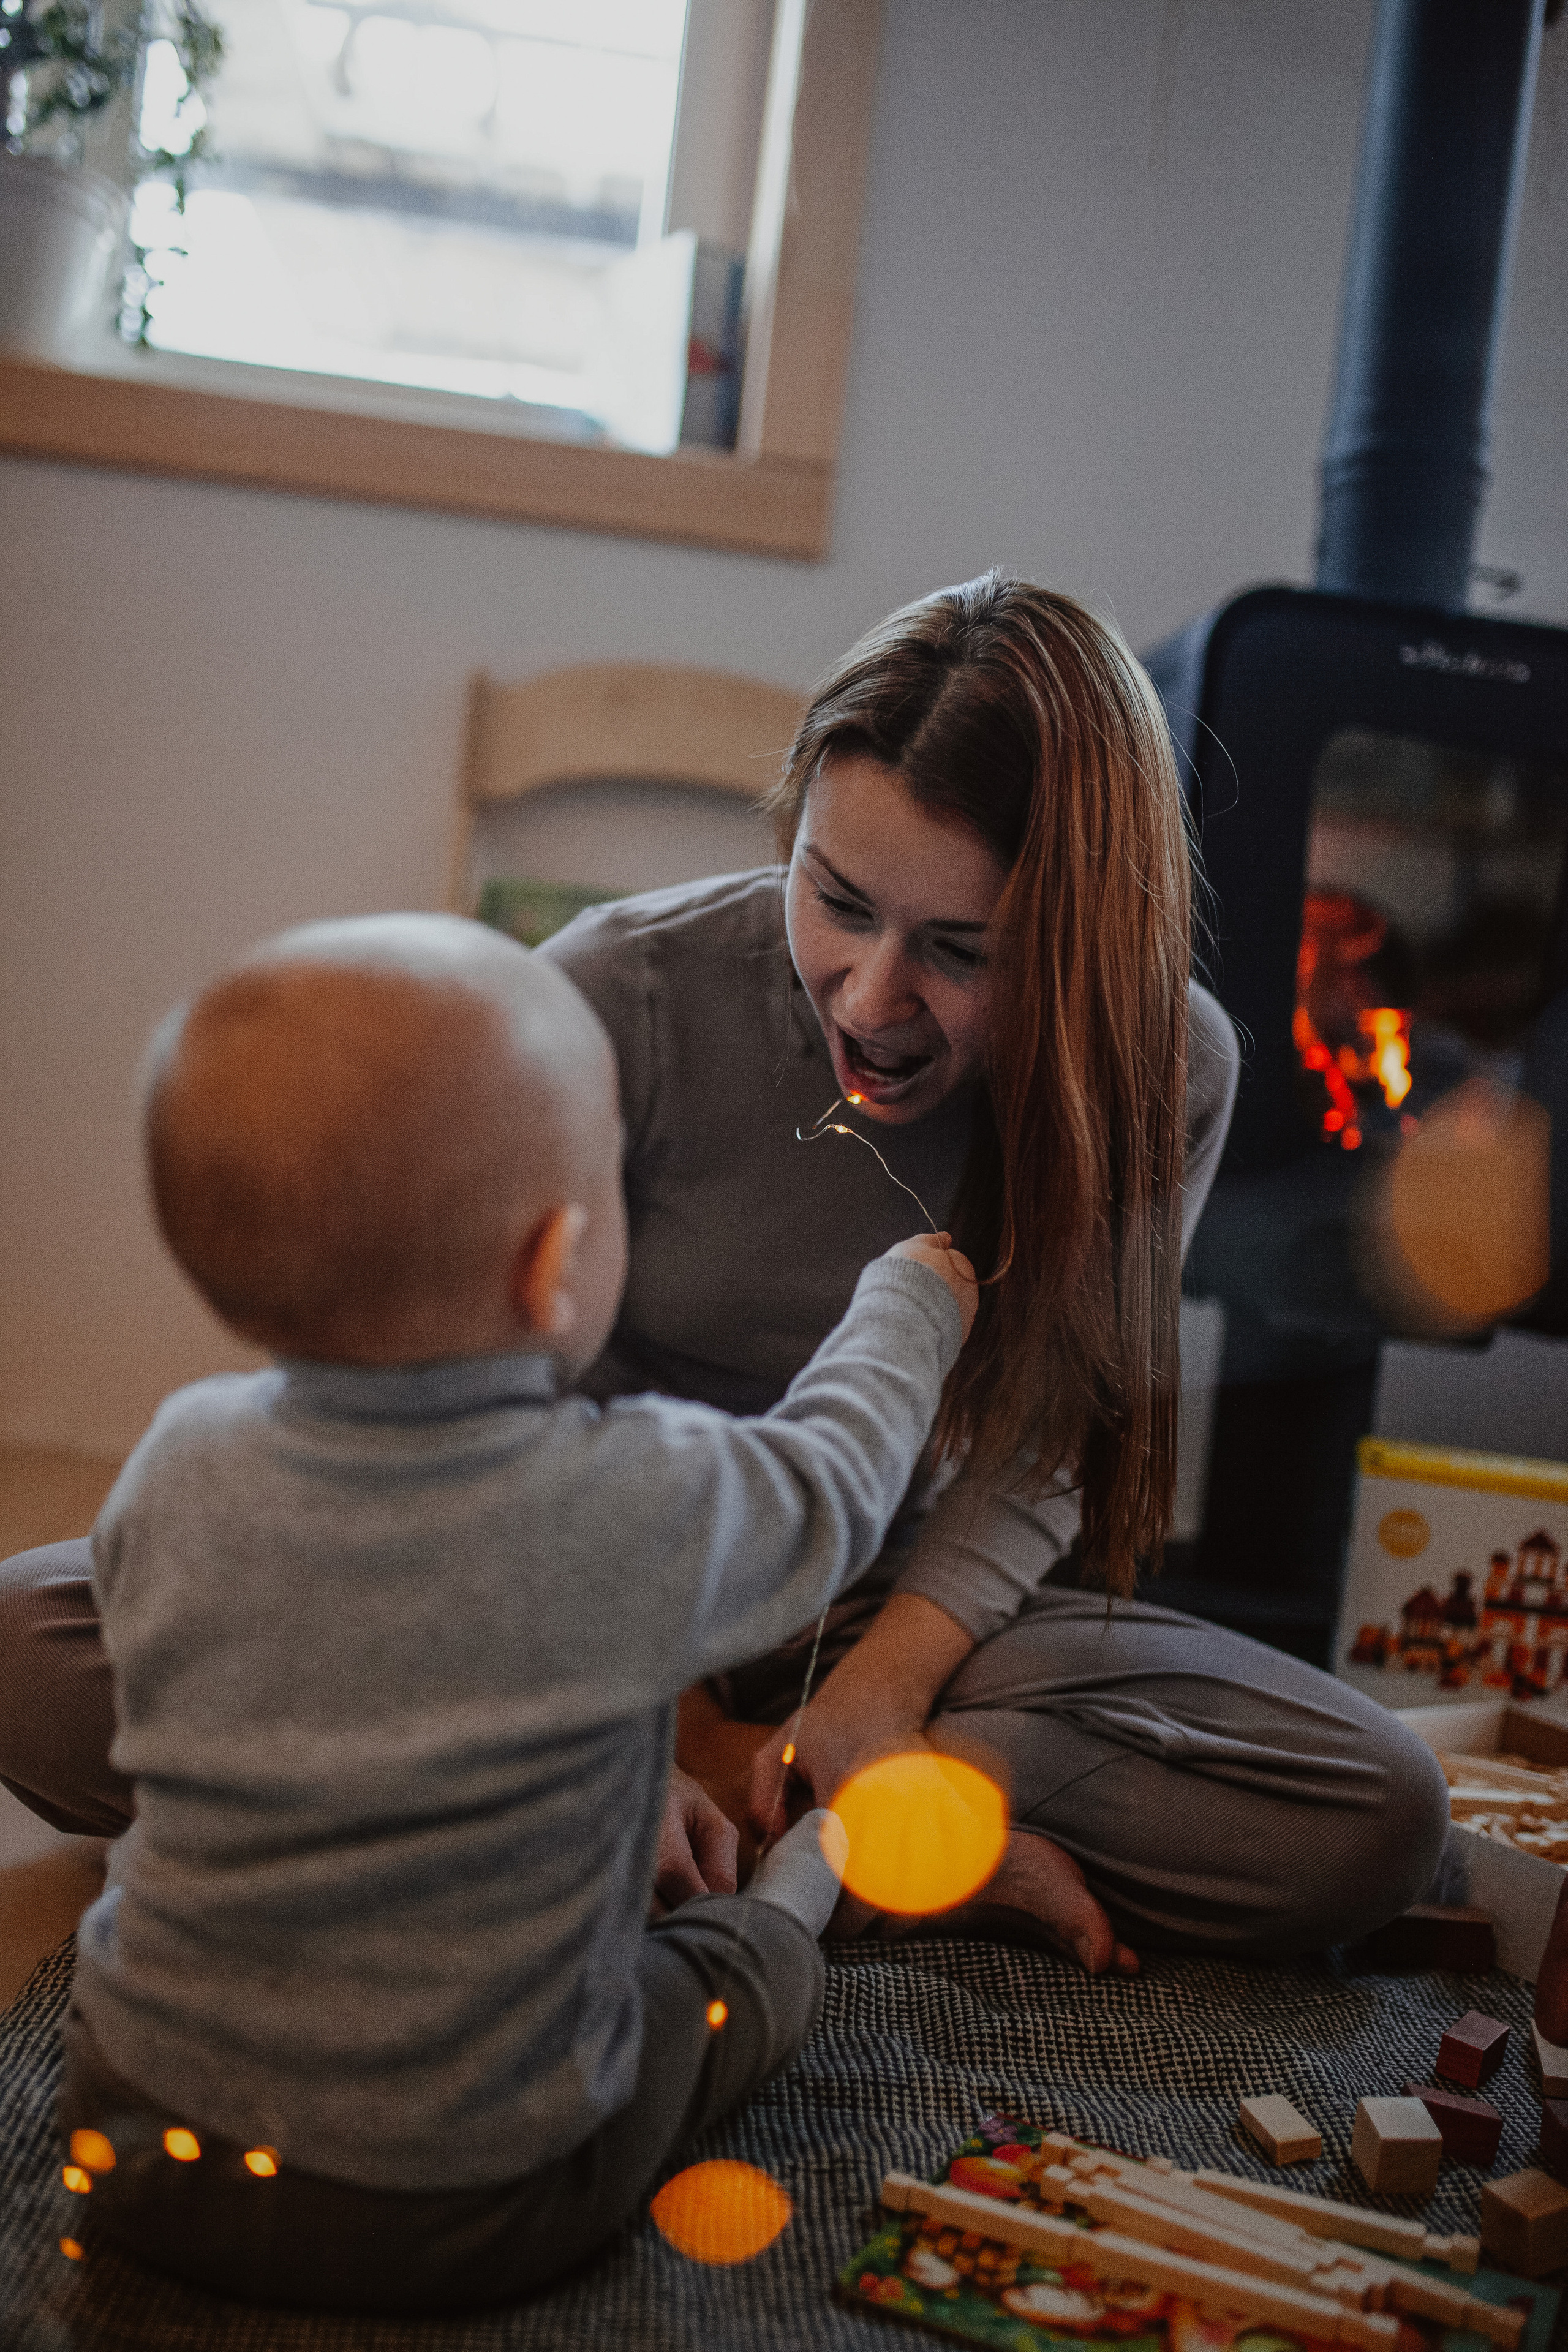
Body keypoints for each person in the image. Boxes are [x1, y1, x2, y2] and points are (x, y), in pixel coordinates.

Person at [0, 571, 1449, 1983]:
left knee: (1367, 1816)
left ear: (1077, 942)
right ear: (793, 829)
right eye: (835, 900)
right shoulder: (618, 990)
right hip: (541, 1577)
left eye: (959, 951)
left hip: (874, 1605)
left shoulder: (1163, 1065)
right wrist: (632, 1728)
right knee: (33, 1649)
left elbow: (1043, 1440)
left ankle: (615, 1834)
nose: (871, 999)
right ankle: (835, 1852)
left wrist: (879, 1694)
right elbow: (458, 1424)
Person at [53, 913, 976, 2312]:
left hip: (136, 2137)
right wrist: (908, 1306)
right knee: (731, 1974)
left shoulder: (179, 1458)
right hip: (467, 2201)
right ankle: (815, 1877)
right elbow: (827, 1489)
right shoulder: (617, 1497)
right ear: (555, 1263)